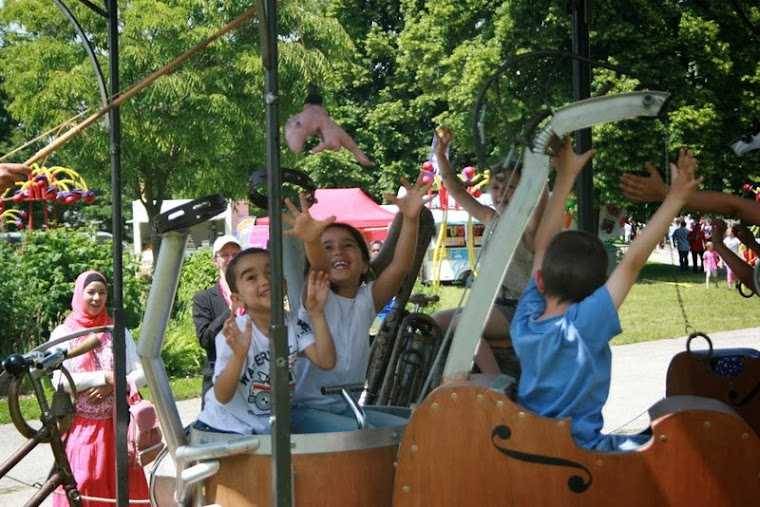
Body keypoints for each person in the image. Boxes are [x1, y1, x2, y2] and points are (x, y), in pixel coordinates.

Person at [510, 146, 701, 451]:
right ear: (597, 290)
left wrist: (564, 177)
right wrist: (675, 198)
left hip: (531, 445)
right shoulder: (581, 326)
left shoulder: (526, 320)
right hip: (581, 453)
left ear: (540, 281)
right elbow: (632, 262)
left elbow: (542, 248)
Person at [282, 176, 428, 433]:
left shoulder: (366, 300)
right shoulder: (317, 294)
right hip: (306, 409)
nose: (337, 252)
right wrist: (311, 241)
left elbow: (401, 266)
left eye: (347, 246)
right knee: (364, 434)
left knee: (414, 427)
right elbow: (320, 265)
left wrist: (411, 218)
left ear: (364, 264)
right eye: (328, 247)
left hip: (345, 405)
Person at [428, 126, 550, 377]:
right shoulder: (491, 218)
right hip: (496, 306)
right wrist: (441, 155)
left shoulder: (528, 228)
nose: (500, 193)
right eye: (495, 188)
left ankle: (496, 382)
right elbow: (456, 190)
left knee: (464, 324)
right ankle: (451, 376)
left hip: (521, 309)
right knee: (435, 320)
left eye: (511, 187)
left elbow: (541, 201)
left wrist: (541, 171)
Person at [194, 248, 336, 435]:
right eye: (251, 277)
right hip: (224, 427)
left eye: (271, 272)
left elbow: (326, 361)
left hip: (264, 429)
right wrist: (239, 356)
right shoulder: (234, 333)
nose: (264, 280)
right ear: (237, 299)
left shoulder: (293, 323)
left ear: (284, 284)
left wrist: (316, 313)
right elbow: (222, 395)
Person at [49, 270, 150, 506]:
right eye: (91, 292)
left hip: (118, 426)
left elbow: (142, 372)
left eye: (102, 292)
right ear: (78, 294)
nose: (97, 298)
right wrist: (103, 377)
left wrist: (114, 385)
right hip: (81, 427)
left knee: (123, 486)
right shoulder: (64, 333)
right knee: (84, 483)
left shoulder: (117, 331)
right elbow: (59, 381)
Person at [192, 234, 242, 408]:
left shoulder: (253, 292)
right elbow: (205, 339)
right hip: (217, 376)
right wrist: (231, 310)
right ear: (216, 260)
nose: (231, 259)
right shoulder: (204, 299)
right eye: (225, 255)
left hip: (251, 377)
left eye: (235, 254)